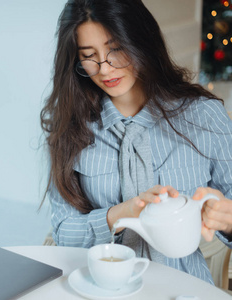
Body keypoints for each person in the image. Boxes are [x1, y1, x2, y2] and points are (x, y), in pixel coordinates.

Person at [40, 0, 232, 285]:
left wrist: (227, 221)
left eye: (115, 49)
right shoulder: (70, 127)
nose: (105, 69)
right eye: (89, 56)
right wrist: (121, 213)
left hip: (183, 288)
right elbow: (64, 230)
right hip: (99, 287)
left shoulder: (204, 116)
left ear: (142, 40)